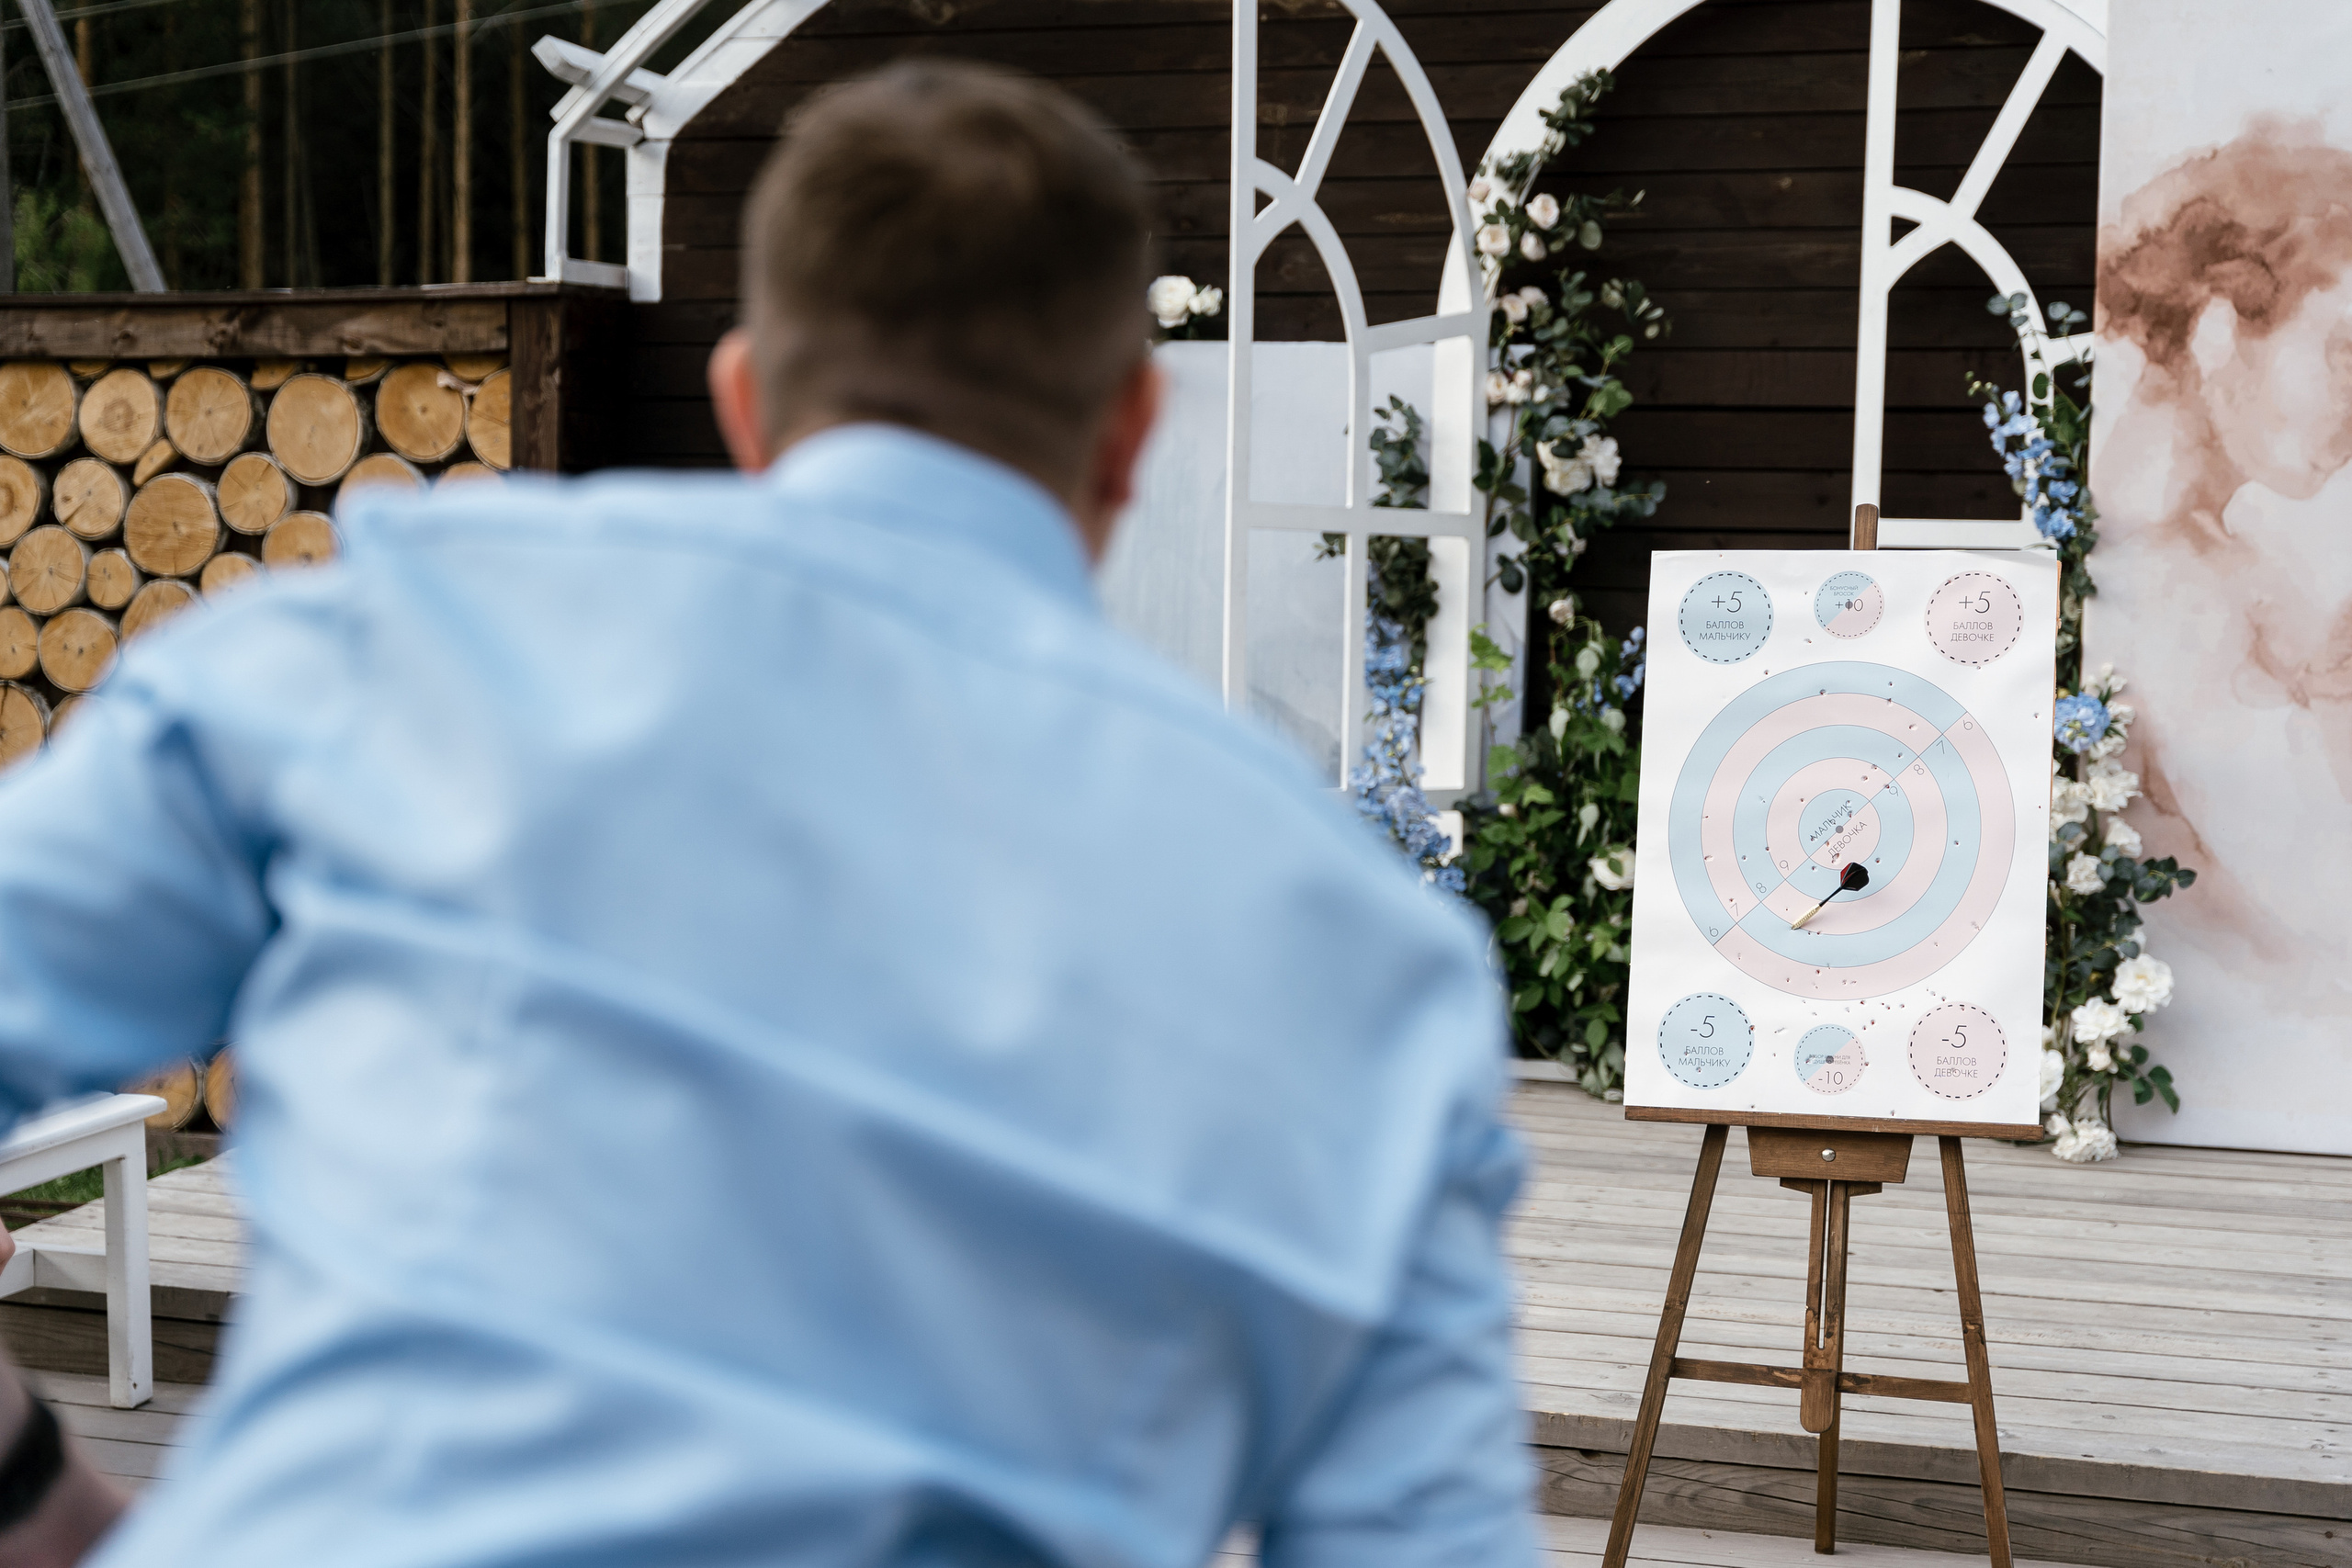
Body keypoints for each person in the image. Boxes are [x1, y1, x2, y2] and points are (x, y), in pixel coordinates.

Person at [0, 62, 1533, 1567]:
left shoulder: (381, 648)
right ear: (1135, 427)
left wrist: (30, 1499)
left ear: (743, 397)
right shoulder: (1365, 954)